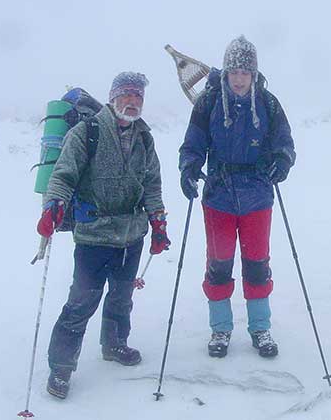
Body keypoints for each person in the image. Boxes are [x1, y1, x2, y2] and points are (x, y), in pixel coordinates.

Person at [36, 71, 170, 399]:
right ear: (112, 97)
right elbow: (64, 174)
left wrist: (158, 221)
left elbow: (151, 183)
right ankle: (61, 367)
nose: (132, 101)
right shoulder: (88, 131)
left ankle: (114, 344)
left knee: (122, 296)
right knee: (82, 300)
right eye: (126, 94)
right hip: (94, 235)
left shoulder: (144, 138)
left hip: (130, 234)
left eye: (138, 96)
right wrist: (54, 204)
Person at [178, 36, 295, 358]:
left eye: (246, 71)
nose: (240, 78)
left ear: (254, 73)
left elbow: (284, 141)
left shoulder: (268, 103)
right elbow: (193, 143)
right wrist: (188, 168)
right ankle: (221, 329)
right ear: (227, 72)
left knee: (257, 265)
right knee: (218, 265)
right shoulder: (209, 102)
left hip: (258, 194)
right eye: (234, 71)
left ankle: (260, 327)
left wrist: (282, 161)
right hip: (218, 196)